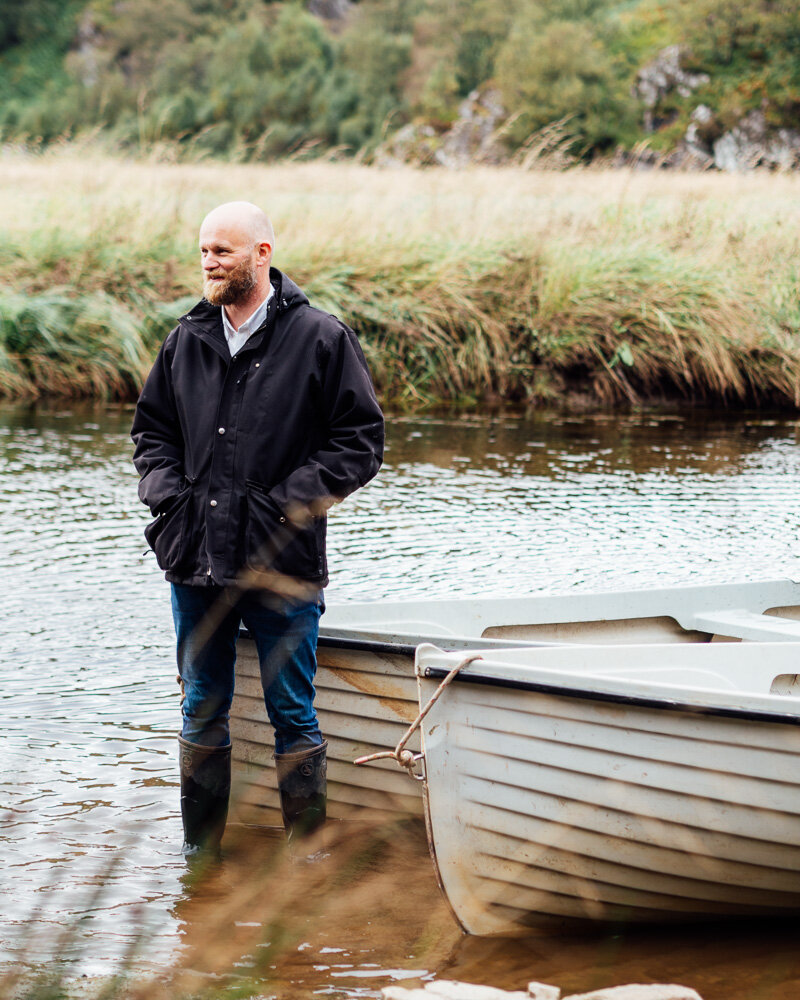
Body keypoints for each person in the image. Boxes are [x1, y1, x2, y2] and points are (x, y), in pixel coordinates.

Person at [131, 201, 384, 856]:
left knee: (293, 715)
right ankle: (201, 865)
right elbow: (151, 433)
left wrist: (284, 505)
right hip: (196, 563)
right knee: (201, 710)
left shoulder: (322, 338)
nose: (208, 263)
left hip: (284, 562)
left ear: (262, 253)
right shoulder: (186, 338)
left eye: (222, 251)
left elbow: (359, 444)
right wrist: (169, 499)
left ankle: (308, 865)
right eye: (203, 251)